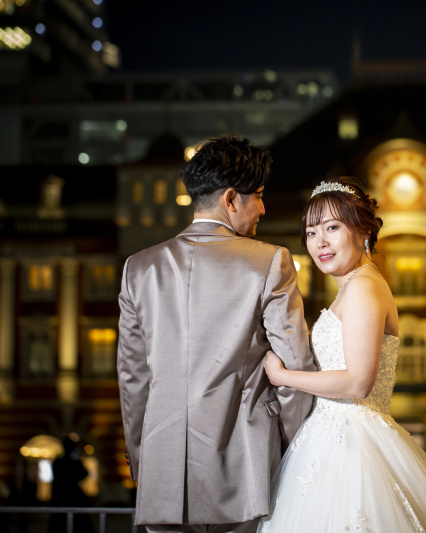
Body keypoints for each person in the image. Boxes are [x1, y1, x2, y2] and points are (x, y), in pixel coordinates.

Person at [259, 177, 426, 532]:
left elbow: (358, 381)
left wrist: (282, 376)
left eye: (332, 227)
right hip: (333, 439)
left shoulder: (363, 287)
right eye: (311, 232)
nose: (320, 242)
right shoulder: (355, 285)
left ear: (362, 231)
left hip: (353, 444)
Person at [117, 135, 315, 532]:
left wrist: (144, 459)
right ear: (230, 199)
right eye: (257, 195)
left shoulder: (138, 268)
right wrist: (297, 447)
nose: (263, 207)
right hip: (246, 468)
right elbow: (296, 367)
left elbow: (133, 379)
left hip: (164, 471)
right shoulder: (270, 262)